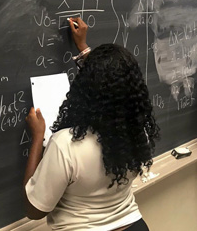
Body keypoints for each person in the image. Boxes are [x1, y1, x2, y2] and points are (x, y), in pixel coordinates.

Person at [23, 18, 160, 231]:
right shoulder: (136, 131)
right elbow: (113, 84)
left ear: (83, 86)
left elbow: (35, 211)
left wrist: (37, 138)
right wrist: (84, 48)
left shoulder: (66, 145)